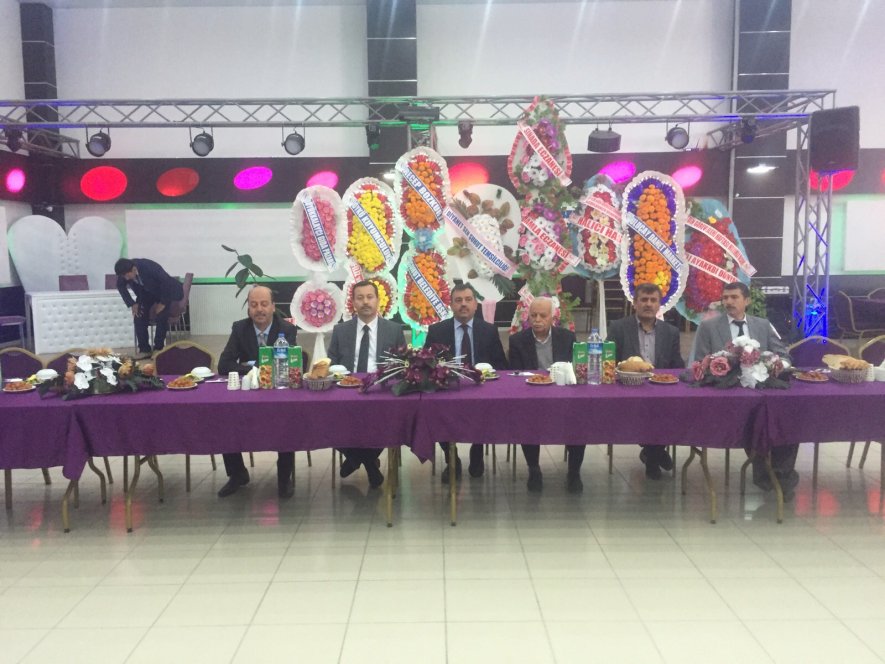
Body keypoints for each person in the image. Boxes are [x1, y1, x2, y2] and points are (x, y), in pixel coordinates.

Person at [694, 281, 796, 494]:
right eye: (725, 298)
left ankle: (781, 474)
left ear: (747, 301)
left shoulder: (763, 325)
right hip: (727, 395)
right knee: (756, 422)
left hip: (762, 390)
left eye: (734, 297)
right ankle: (765, 473)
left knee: (787, 417)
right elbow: (700, 362)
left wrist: (777, 365)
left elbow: (783, 355)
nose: (728, 302)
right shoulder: (708, 327)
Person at [217, 285, 298, 499]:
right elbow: (224, 365)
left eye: (264, 304)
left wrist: (250, 365)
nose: (259, 309)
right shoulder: (240, 328)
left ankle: (284, 478)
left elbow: (289, 365)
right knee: (225, 416)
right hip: (247, 395)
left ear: (273, 307)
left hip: (278, 394)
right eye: (254, 305)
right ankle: (237, 474)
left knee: (287, 421)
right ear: (248, 309)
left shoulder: (287, 329)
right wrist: (255, 369)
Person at [424, 282, 508, 482]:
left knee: (486, 409)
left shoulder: (488, 331)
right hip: (447, 390)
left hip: (482, 390)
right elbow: (426, 365)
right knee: (433, 410)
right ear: (451, 305)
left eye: (468, 300)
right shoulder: (437, 331)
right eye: (458, 300)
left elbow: (502, 367)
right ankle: (451, 458)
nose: (463, 304)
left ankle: (477, 450)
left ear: (476, 305)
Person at [328, 280, 406, 488]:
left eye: (369, 297)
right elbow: (331, 364)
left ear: (378, 300)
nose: (365, 302)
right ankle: (370, 463)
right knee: (326, 416)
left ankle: (355, 459)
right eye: (360, 298)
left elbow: (402, 366)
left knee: (389, 419)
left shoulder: (394, 330)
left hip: (380, 390)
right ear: (353, 302)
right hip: (347, 390)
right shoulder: (340, 330)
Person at [607, 283, 685, 480]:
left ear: (659, 304)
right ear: (635, 303)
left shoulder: (671, 331)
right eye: (644, 300)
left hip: (661, 389)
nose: (648, 304)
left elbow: (677, 365)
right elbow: (609, 362)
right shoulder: (619, 328)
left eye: (653, 300)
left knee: (672, 409)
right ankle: (654, 455)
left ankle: (652, 452)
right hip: (628, 389)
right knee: (646, 410)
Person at [508, 296, 585, 493]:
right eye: (533, 315)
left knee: (579, 419)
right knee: (526, 419)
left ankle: (574, 472)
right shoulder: (517, 340)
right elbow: (514, 375)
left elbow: (574, 370)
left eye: (543, 315)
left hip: (562, 395)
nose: (537, 320)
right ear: (527, 317)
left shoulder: (567, 337)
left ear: (553, 317)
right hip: (531, 395)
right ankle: (534, 469)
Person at [114, 258, 184, 359]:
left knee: (162, 314)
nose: (126, 278)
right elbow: (120, 286)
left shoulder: (148, 266)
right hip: (147, 293)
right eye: (124, 276)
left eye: (127, 275)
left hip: (166, 291)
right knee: (139, 315)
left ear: (133, 269)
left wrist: (163, 303)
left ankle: (158, 348)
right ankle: (144, 349)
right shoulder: (124, 272)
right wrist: (132, 304)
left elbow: (166, 282)